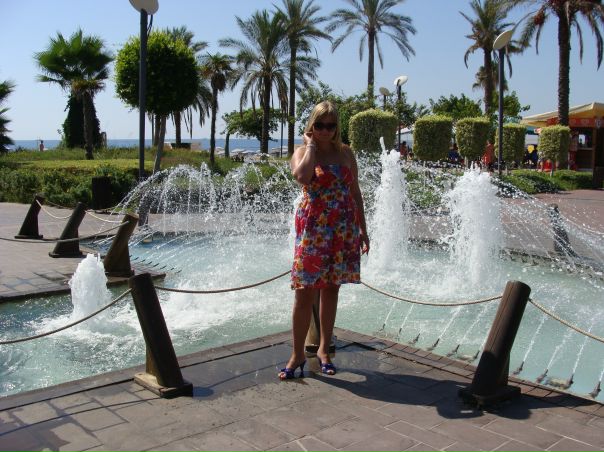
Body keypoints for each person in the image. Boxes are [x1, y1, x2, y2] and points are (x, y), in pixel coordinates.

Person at [281, 100, 370, 380]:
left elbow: (355, 192)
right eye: (319, 125)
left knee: (332, 289)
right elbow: (302, 176)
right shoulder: (302, 152)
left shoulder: (345, 152)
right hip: (314, 229)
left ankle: (324, 351)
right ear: (311, 125)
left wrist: (363, 229)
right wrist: (310, 146)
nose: (325, 130)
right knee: (304, 291)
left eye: (331, 126)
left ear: (336, 127)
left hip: (343, 227)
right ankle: (297, 354)